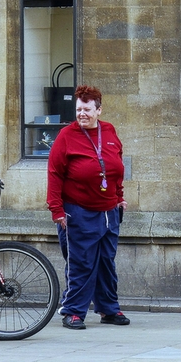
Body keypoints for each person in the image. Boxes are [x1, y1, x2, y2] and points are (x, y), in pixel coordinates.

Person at [46, 84, 129, 330]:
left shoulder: (110, 131)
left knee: (106, 262)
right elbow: (54, 174)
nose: (82, 113)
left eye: (87, 109)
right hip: (78, 211)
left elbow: (116, 168)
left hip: (109, 211)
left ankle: (108, 309)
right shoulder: (66, 136)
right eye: (79, 109)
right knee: (81, 262)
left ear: (99, 110)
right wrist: (57, 210)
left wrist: (120, 196)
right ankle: (72, 311)